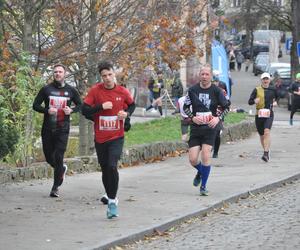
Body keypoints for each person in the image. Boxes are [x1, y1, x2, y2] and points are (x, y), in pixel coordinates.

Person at [81, 61, 135, 219]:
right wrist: (100, 107)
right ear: (101, 77)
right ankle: (112, 196)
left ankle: (112, 201)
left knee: (112, 166)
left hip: (116, 137)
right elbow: (84, 110)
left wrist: (127, 114)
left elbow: (132, 105)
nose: (107, 78)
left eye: (110, 74)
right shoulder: (95, 91)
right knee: (105, 169)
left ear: (114, 74)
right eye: (104, 76)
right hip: (100, 138)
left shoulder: (122, 91)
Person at [33, 64, 82, 198]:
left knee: (59, 156)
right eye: (55, 72)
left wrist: (71, 110)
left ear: (64, 74)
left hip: (63, 128)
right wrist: (46, 110)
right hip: (48, 128)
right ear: (53, 74)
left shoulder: (71, 90)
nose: (57, 74)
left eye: (60, 72)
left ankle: (55, 188)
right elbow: (35, 105)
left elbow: (80, 104)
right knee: (50, 157)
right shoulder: (46, 89)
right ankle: (61, 169)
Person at [183, 65, 230, 196]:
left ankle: (203, 186)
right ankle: (200, 171)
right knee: (192, 159)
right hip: (196, 128)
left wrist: (217, 119)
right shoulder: (192, 90)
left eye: (206, 74)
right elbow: (186, 107)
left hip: (210, 128)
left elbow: (227, 107)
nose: (204, 77)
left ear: (211, 76)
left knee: (205, 155)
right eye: (202, 74)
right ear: (200, 75)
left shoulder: (216, 91)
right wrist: (192, 118)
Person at [248, 72, 278, 162]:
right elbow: (249, 102)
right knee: (262, 135)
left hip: (269, 114)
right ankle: (267, 150)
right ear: (261, 80)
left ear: (269, 80)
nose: (265, 81)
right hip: (259, 114)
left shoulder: (273, 89)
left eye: (267, 79)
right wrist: (254, 101)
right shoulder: (256, 90)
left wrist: (276, 102)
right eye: (264, 79)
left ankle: (265, 154)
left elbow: (279, 97)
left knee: (267, 132)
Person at [212, 71, 231, 158]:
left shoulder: (222, 91)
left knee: (216, 133)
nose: (215, 83)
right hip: (208, 114)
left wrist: (222, 115)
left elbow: (228, 103)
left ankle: (215, 152)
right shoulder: (206, 90)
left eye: (216, 82)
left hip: (219, 114)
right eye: (213, 82)